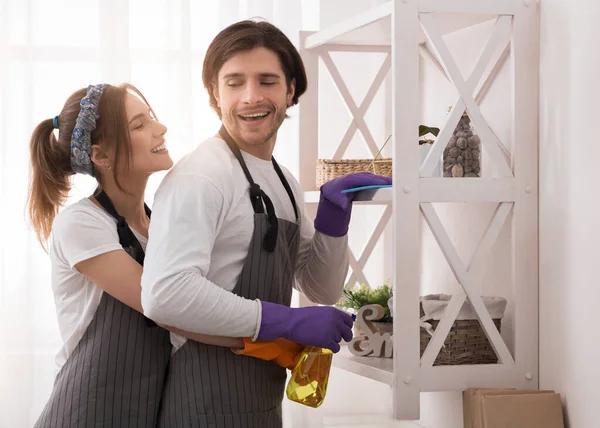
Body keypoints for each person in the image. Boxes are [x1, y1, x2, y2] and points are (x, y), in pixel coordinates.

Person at [141, 20, 392, 427]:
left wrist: (333, 215)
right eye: (235, 82)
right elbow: (165, 294)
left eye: (267, 81)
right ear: (213, 94)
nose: (251, 97)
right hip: (203, 405)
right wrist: (287, 321)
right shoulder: (201, 176)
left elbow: (320, 287)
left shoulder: (282, 179)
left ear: (291, 90)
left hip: (260, 403)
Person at [28, 83, 245, 427]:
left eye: (152, 119)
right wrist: (268, 334)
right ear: (101, 155)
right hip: (85, 415)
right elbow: (168, 308)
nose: (161, 129)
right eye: (139, 125)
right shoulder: (81, 223)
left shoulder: (159, 226)